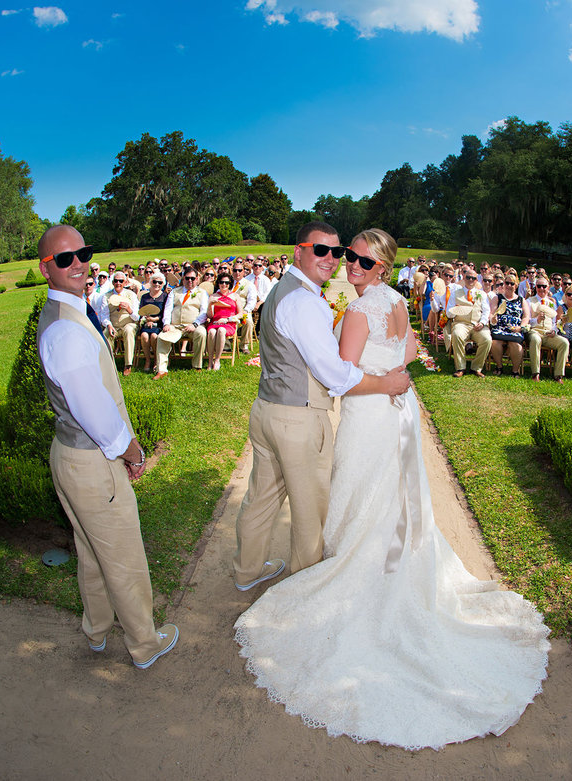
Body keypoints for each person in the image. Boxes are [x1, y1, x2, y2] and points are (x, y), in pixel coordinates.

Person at [235, 228, 550, 750]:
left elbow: (341, 374)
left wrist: (378, 377)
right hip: (396, 412)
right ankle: (391, 563)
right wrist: (393, 378)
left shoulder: (358, 312)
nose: (350, 264)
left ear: (382, 266)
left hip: (369, 413)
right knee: (389, 493)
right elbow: (404, 351)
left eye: (361, 259)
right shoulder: (397, 302)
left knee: (358, 492)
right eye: (346, 256)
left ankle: (343, 575)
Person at [232, 222, 411, 593]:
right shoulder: (309, 302)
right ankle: (306, 584)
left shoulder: (284, 291)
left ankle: (247, 570)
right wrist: (387, 381)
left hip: (267, 410)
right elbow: (337, 375)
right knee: (311, 508)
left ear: (382, 266)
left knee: (261, 498)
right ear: (299, 251)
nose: (333, 259)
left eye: (337, 251)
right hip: (299, 418)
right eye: (322, 251)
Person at [34, 225, 178, 670]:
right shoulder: (68, 331)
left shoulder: (65, 313)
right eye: (65, 259)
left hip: (72, 455)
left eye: (84, 253)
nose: (78, 262)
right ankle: (144, 642)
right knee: (123, 554)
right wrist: (131, 451)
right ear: (46, 269)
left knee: (92, 551)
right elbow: (93, 409)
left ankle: (96, 631)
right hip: (91, 460)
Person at [155, 270, 208, 378]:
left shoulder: (202, 293)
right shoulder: (174, 292)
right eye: (187, 278)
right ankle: (161, 369)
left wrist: (195, 324)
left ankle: (197, 365)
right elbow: (168, 309)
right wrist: (166, 324)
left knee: (201, 333)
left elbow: (204, 312)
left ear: (197, 279)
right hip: (175, 326)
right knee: (161, 337)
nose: (190, 281)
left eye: (192, 278)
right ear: (183, 279)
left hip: (194, 325)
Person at [447, 270, 492, 378]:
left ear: (477, 280)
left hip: (477, 324)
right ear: (464, 278)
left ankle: (476, 368)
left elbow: (486, 311)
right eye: (468, 277)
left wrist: (482, 323)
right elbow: (448, 313)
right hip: (461, 323)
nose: (471, 280)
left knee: (487, 339)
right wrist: (454, 310)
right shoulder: (455, 293)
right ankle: (460, 367)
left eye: (473, 278)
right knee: (457, 335)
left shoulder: (482, 294)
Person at [524, 275, 569, 383]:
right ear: (536, 287)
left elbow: (555, 321)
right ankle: (536, 373)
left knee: (564, 342)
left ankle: (558, 375)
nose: (542, 289)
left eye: (544, 286)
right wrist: (537, 320)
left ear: (548, 287)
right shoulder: (530, 301)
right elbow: (527, 319)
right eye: (539, 286)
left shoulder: (552, 303)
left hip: (548, 332)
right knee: (536, 339)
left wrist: (554, 330)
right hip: (534, 330)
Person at [489, 275, 526, 376]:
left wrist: (520, 327)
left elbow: (526, 317)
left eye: (512, 284)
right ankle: (499, 366)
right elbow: (492, 312)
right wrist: (493, 318)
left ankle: (515, 370)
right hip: (500, 327)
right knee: (495, 342)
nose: (509, 285)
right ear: (504, 284)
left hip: (515, 329)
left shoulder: (521, 300)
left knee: (516, 345)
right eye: (507, 283)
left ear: (516, 285)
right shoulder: (497, 298)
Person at [106, 272, 141, 376]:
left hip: (128, 323)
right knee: (106, 333)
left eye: (121, 281)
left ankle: (128, 364)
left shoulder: (131, 295)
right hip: (114, 325)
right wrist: (109, 325)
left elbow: (137, 317)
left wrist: (129, 309)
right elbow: (104, 315)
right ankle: (109, 363)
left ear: (125, 282)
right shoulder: (106, 296)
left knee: (129, 330)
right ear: (112, 282)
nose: (118, 283)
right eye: (116, 281)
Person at [206, 272, 241, 371]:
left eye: (227, 282)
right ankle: (209, 361)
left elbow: (240, 314)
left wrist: (227, 319)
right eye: (222, 282)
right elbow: (210, 315)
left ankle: (217, 360)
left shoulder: (235, 296)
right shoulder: (213, 296)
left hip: (228, 323)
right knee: (212, 332)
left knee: (221, 330)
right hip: (215, 322)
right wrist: (210, 305)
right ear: (218, 283)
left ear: (230, 284)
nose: (224, 285)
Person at [137, 272, 169, 373]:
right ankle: (147, 359)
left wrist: (154, 319)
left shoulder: (165, 296)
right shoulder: (145, 297)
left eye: (160, 282)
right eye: (155, 281)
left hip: (159, 323)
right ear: (151, 282)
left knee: (154, 336)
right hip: (146, 322)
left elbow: (165, 313)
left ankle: (156, 359)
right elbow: (141, 311)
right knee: (144, 336)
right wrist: (147, 319)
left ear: (163, 284)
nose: (157, 284)